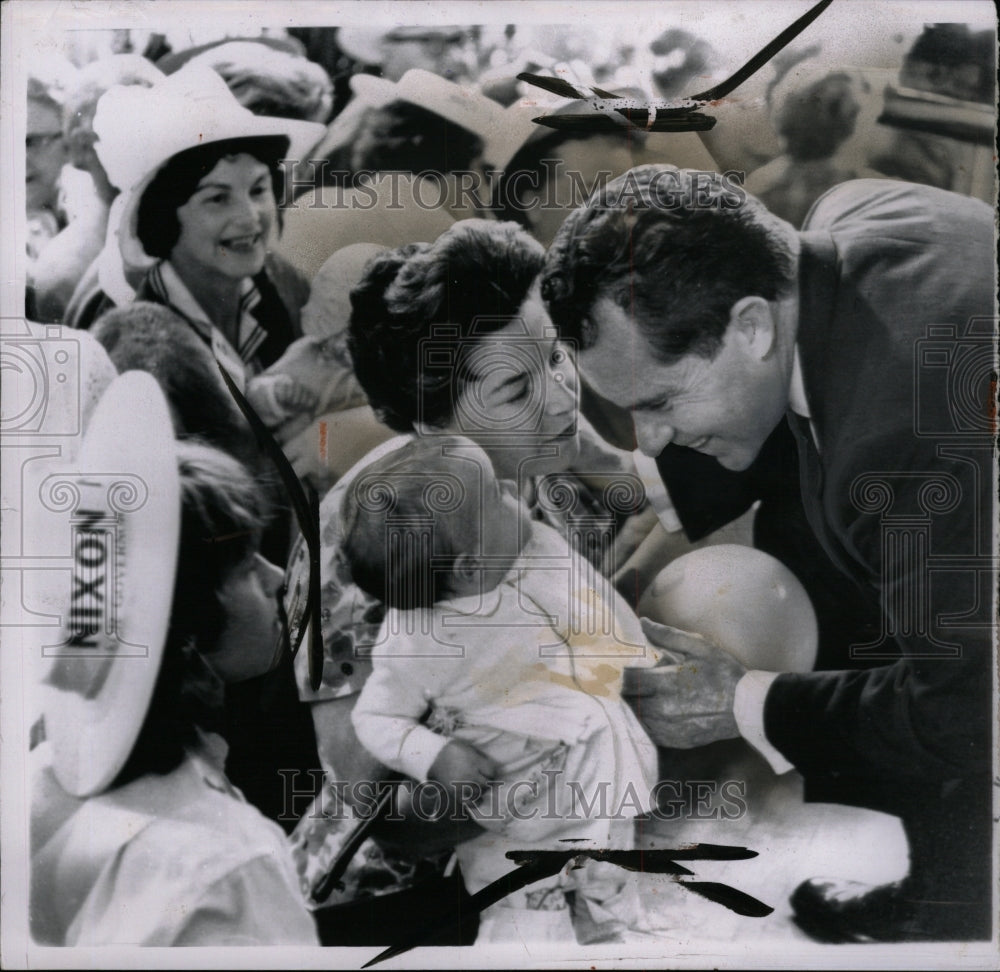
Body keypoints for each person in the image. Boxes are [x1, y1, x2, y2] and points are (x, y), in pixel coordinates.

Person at [541, 164, 995, 942]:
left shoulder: (902, 448)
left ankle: (961, 896)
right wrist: (658, 491)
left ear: (751, 325)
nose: (648, 436)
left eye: (659, 402)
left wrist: (744, 701)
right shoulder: (852, 215)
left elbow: (969, 706)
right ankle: (957, 879)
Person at [283, 219, 655, 940]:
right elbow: (377, 808)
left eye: (557, 356)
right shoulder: (363, 532)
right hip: (403, 911)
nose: (561, 398)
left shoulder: (549, 460)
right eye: (517, 387)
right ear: (435, 420)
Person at [30, 373, 318, 946]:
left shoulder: (38, 787)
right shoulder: (232, 868)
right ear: (186, 627)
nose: (278, 577)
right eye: (243, 569)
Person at [344, 436, 658, 940]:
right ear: (470, 566)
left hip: (589, 761)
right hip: (505, 795)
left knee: (613, 875)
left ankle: (614, 929)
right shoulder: (413, 641)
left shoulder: (545, 552)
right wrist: (435, 756)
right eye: (496, 496)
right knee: (524, 915)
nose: (514, 491)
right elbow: (375, 719)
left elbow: (605, 615)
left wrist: (621, 656)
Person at [67, 64, 324, 391]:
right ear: (163, 216)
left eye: (258, 190)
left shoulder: (285, 282)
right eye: (218, 198)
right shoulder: (128, 334)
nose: (249, 217)